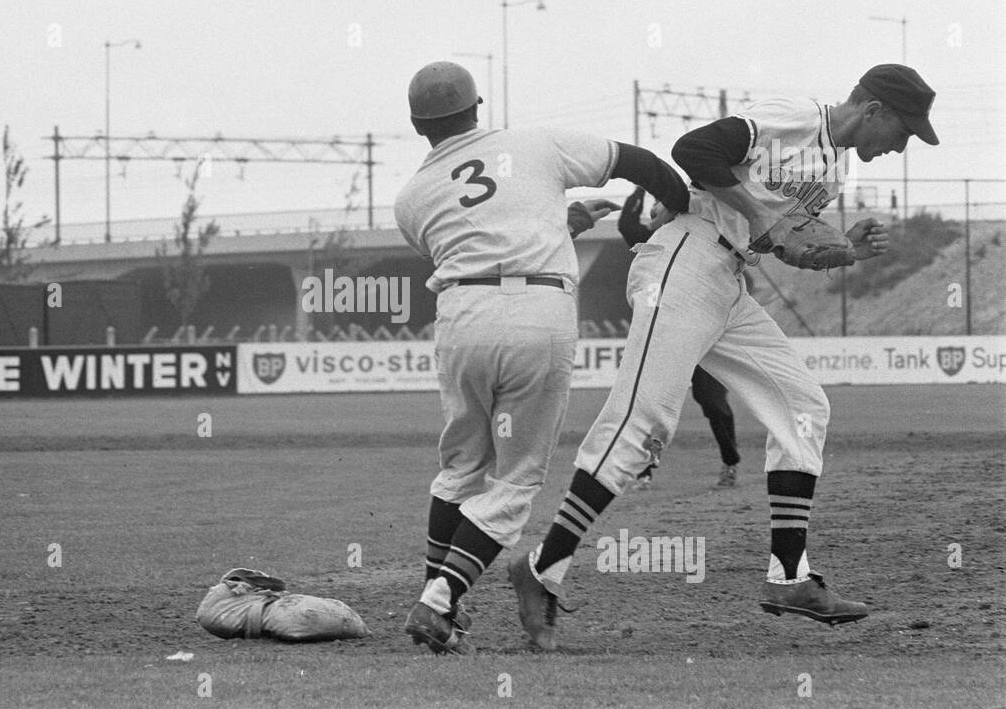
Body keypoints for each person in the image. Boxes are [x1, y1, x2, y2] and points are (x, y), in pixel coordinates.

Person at [509, 64, 937, 650]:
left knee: (802, 404)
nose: (900, 146)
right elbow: (694, 149)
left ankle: (789, 578)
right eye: (904, 131)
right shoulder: (795, 120)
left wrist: (847, 251)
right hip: (683, 262)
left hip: (728, 279)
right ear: (874, 110)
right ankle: (541, 570)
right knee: (643, 423)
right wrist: (761, 211)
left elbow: (783, 245)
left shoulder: (832, 174)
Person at [393, 61, 689, 654]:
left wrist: (559, 224)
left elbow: (482, 240)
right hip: (537, 314)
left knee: (460, 467)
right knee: (517, 478)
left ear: (417, 125)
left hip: (460, 317)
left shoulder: (411, 197)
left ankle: (439, 598)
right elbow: (639, 162)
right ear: (478, 107)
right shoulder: (534, 142)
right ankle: (439, 601)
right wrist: (682, 207)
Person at [616, 186, 741, 490]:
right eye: (654, 205)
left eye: (662, 202)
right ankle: (643, 470)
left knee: (712, 402)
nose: (656, 208)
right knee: (652, 404)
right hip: (665, 339)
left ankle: (730, 462)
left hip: (704, 339)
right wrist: (638, 189)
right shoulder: (651, 241)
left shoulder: (702, 237)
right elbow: (626, 224)